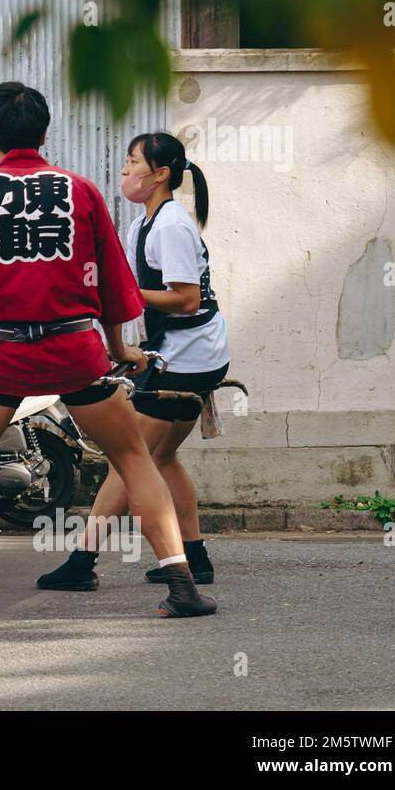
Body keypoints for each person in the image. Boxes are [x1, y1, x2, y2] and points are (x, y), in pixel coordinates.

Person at [0, 82, 217, 622]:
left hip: (2, 352)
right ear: (45, 134)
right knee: (135, 459)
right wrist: (120, 349)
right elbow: (115, 288)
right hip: (76, 349)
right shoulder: (80, 191)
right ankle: (182, 588)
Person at [37, 132, 228, 591]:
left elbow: (184, 298)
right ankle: (195, 557)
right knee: (160, 458)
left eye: (133, 161)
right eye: (126, 161)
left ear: (160, 174)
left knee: (130, 459)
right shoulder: (140, 225)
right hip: (177, 353)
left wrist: (120, 295)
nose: (124, 170)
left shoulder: (171, 226)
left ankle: (83, 562)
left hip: (189, 358)